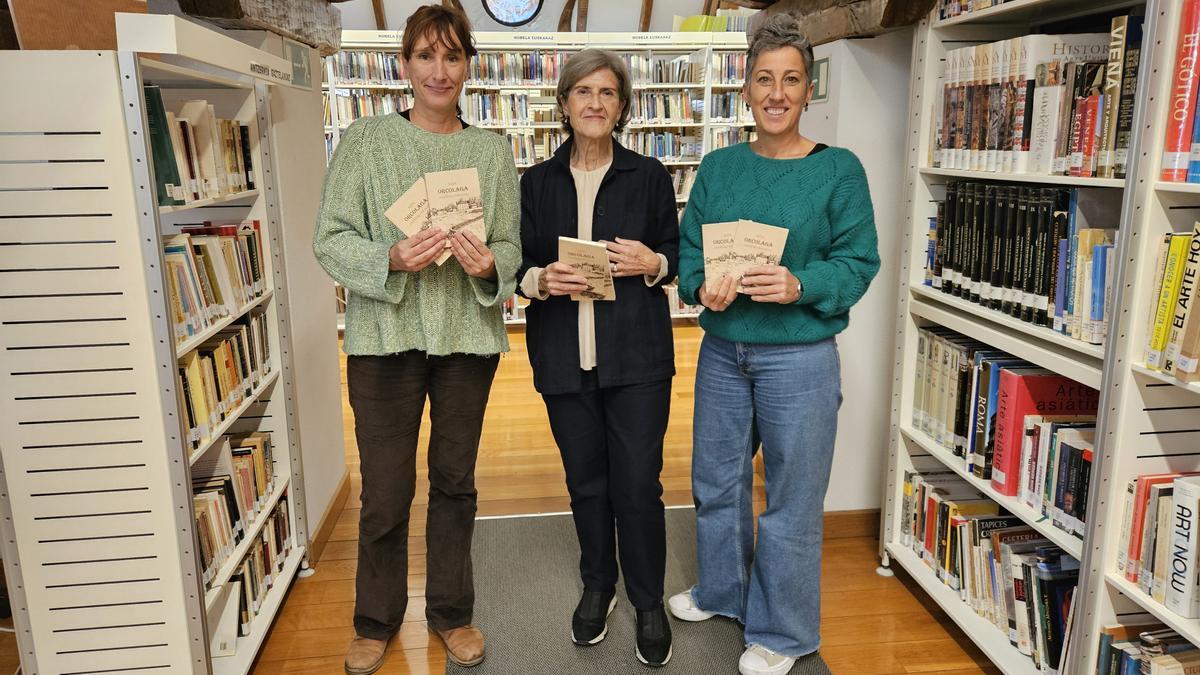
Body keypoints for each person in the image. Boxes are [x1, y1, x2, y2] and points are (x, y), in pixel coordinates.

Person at [667, 13, 880, 675]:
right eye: (764, 79)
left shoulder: (839, 170)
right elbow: (691, 253)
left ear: (809, 90)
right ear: (746, 90)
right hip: (723, 349)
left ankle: (783, 633)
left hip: (800, 358)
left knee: (791, 495)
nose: (777, 92)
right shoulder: (718, 167)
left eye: (790, 79)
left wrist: (799, 283)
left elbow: (859, 262)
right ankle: (722, 591)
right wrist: (702, 287)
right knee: (716, 480)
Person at [311, 5, 520, 674]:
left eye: (452, 56)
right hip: (384, 340)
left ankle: (452, 613)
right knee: (386, 489)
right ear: (403, 65)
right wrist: (390, 257)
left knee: (456, 482)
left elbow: (511, 243)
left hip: (466, 342)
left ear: (468, 66)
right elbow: (329, 238)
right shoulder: (366, 141)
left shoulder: (492, 151)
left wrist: (491, 266)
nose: (439, 70)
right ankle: (375, 621)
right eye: (425, 56)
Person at [516, 49, 679, 668]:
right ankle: (598, 585)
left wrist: (653, 263)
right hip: (563, 355)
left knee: (637, 485)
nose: (594, 102)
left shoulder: (650, 175)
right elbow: (515, 262)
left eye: (607, 92)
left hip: (637, 359)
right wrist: (539, 280)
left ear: (622, 106)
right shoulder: (536, 182)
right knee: (585, 482)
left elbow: (676, 254)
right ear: (563, 103)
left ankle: (647, 601)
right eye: (583, 91)